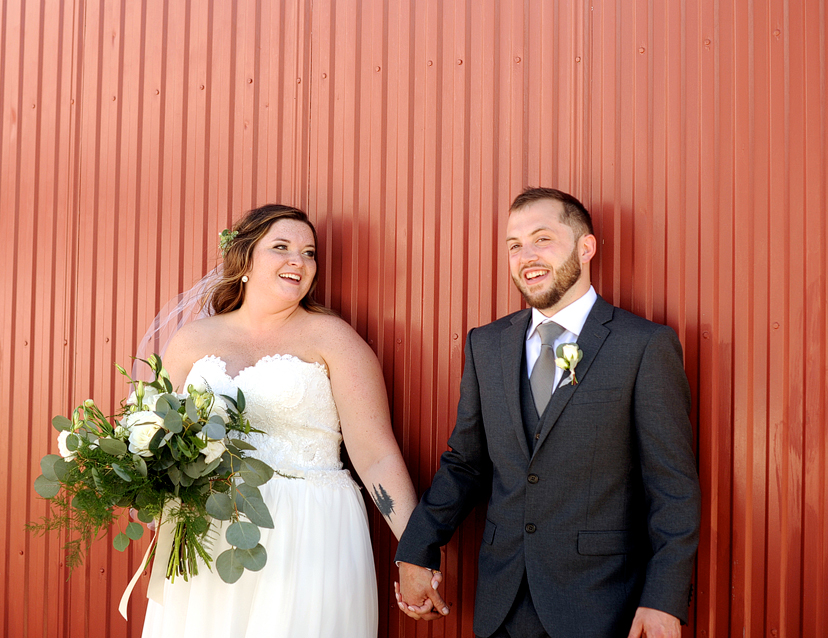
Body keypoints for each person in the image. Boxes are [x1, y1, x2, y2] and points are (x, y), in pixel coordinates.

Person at [394, 187, 701, 638]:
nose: (526, 256)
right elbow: (465, 463)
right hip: (502, 602)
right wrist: (417, 549)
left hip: (601, 604)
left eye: (542, 239)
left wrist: (663, 600)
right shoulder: (487, 344)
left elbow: (671, 487)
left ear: (586, 246)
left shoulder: (643, 346)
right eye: (514, 245)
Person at [140, 204, 419, 638]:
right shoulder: (192, 341)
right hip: (207, 530)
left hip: (308, 530)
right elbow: (152, 436)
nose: (299, 261)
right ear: (245, 259)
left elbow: (376, 455)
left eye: (309, 253)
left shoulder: (334, 339)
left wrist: (414, 551)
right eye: (282, 248)